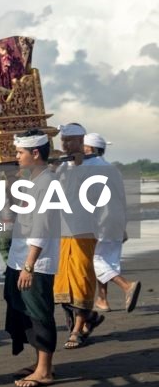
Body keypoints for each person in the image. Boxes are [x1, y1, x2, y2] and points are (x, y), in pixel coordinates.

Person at [3, 130, 60, 387]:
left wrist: (29, 265)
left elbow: (42, 228)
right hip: (19, 258)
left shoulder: (47, 183)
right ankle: (40, 363)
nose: (16, 156)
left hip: (35, 261)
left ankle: (45, 370)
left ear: (35, 153)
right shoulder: (34, 181)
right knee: (24, 312)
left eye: (20, 152)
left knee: (39, 313)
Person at [53, 123, 103, 349]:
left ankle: (77, 329)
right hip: (62, 231)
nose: (65, 144)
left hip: (86, 230)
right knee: (62, 283)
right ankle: (82, 322)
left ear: (81, 141)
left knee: (81, 278)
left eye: (70, 140)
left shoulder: (97, 165)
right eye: (63, 140)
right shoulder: (63, 165)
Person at [84, 133, 141, 313]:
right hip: (116, 219)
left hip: (99, 220)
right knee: (107, 259)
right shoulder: (112, 169)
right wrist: (124, 226)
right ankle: (102, 300)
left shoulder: (88, 168)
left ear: (90, 149)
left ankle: (126, 286)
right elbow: (122, 198)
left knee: (95, 259)